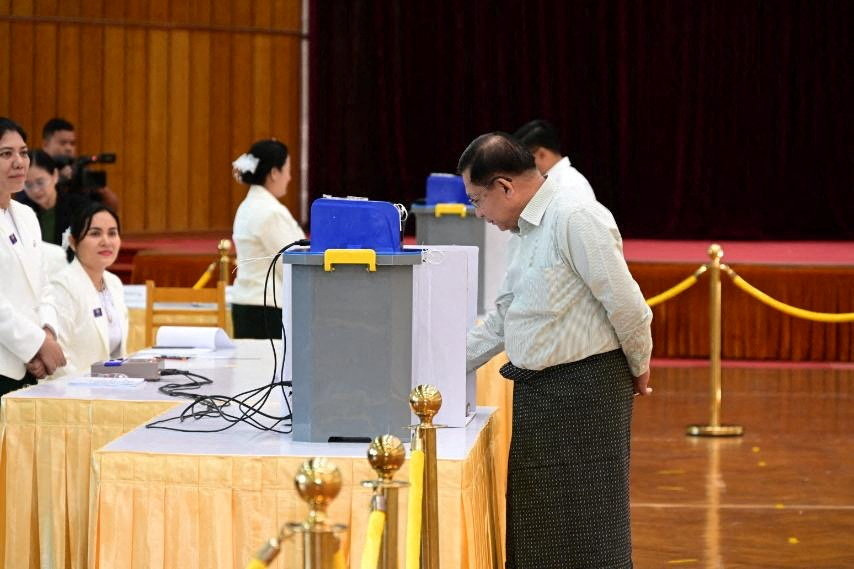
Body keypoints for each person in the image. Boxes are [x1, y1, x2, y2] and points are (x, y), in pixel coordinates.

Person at [460, 132, 652, 568]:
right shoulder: (526, 231)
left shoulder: (575, 215)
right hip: (540, 394)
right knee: (538, 531)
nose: (479, 213)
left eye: (477, 200)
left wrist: (639, 367)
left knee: (591, 531)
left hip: (587, 391)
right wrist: (437, 364)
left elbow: (628, 306)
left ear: (504, 186)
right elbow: (504, 320)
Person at [0, 117, 66, 396]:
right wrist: (37, 344)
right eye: (6, 154)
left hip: (30, 365)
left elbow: (44, 286)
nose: (19, 162)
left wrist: (48, 333)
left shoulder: (27, 215)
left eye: (23, 152)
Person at [231, 139, 305, 339]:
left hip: (245, 304)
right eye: (287, 170)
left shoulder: (248, 206)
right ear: (274, 173)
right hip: (266, 308)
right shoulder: (270, 212)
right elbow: (291, 261)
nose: (289, 177)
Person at [47, 203, 127, 378]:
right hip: (72, 395)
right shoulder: (62, 287)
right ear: (73, 242)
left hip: (112, 391)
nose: (106, 241)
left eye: (112, 233)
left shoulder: (114, 283)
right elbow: (58, 361)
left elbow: (117, 355)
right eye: (95, 233)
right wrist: (88, 391)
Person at [41, 117, 120, 210]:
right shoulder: (36, 169)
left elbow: (113, 206)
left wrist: (101, 189)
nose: (68, 148)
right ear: (45, 145)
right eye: (63, 143)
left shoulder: (80, 170)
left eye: (72, 143)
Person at [17, 149, 89, 245]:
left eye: (40, 182)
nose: (35, 190)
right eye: (28, 185)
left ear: (55, 175)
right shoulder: (19, 210)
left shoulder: (79, 208)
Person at [513, 119, 596, 202]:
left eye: (525, 159)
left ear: (541, 154)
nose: (523, 167)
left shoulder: (570, 184)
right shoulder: (552, 183)